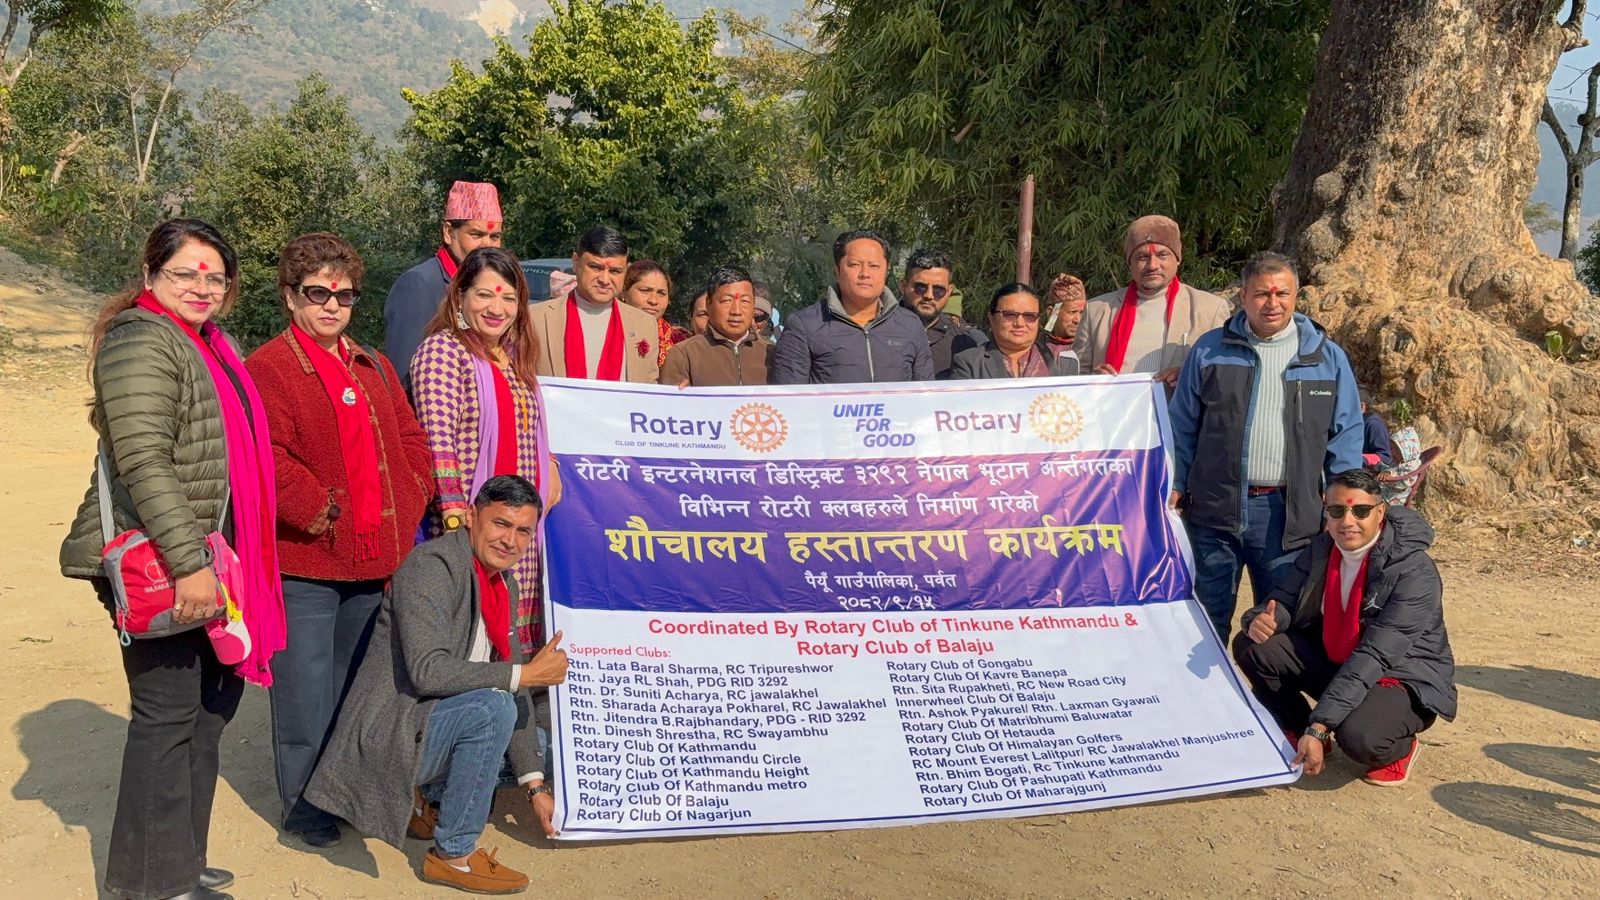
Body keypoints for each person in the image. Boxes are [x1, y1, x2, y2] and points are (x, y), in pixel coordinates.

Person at [59, 219, 286, 900]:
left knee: (212, 707)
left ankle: (173, 861)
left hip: (217, 556)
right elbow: (143, 461)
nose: (202, 286)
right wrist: (190, 564)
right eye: (186, 272)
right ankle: (153, 883)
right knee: (167, 714)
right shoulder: (139, 339)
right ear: (154, 274)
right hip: (164, 561)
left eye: (215, 276)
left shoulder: (211, 342)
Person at [244, 232, 434, 849]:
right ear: (290, 296)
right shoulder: (268, 367)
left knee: (356, 687)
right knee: (304, 692)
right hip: (307, 560)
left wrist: (410, 496)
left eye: (343, 294)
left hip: (375, 557)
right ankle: (303, 804)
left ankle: (343, 789)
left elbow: (410, 440)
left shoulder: (372, 363)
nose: (332, 305)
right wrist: (321, 509)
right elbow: (264, 454)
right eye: (317, 292)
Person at [305, 475, 569, 894]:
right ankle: (455, 856)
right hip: (389, 735)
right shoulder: (433, 566)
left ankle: (422, 801)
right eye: (501, 524)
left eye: (523, 531)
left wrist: (535, 788)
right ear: (469, 517)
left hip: (432, 728)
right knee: (493, 708)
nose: (510, 540)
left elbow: (514, 687)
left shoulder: (505, 584)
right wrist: (525, 673)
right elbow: (429, 670)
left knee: (546, 745)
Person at [1169, 251, 1365, 642]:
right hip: (1214, 513)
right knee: (1204, 626)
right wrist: (1174, 482)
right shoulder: (1210, 351)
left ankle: (1272, 705)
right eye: (1261, 294)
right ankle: (1208, 703)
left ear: (1296, 296)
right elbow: (1181, 427)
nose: (1272, 303)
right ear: (1243, 297)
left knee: (1278, 626)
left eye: (1282, 293)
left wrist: (1342, 493)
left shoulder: (1326, 358)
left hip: (1287, 517)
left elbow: (1346, 432)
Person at [1234, 469, 1455, 786]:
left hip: (1400, 675)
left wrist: (1321, 722)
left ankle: (1401, 748)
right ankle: (1299, 729)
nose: (1347, 521)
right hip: (1341, 661)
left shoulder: (1414, 571)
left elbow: (1375, 655)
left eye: (1360, 510)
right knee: (1253, 644)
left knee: (1360, 739)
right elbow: (1284, 599)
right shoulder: (1322, 547)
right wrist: (1265, 618)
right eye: (1336, 511)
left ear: (1380, 512)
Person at [410, 247, 548, 647]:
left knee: (507, 647)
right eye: (484, 294)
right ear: (461, 297)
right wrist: (457, 514)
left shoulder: (512, 358)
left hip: (514, 527)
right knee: (464, 641)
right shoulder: (444, 351)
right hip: (469, 524)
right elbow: (438, 439)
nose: (497, 308)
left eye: (508, 297)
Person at [1076, 215, 1231, 385]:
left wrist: (1189, 377)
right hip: (1115, 408)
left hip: (1179, 410)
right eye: (1142, 257)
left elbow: (1223, 375)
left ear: (1178, 259)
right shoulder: (1097, 310)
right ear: (1129, 263)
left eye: (1162, 255)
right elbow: (1074, 379)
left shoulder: (1210, 309)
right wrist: (1091, 380)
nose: (1152, 265)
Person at [770, 228, 933, 384]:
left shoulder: (911, 325)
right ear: (837, 270)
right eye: (854, 264)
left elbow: (925, 395)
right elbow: (791, 400)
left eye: (874, 266)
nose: (865, 274)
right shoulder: (804, 326)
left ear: (887, 270)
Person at [385, 181, 504, 392]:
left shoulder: (493, 285)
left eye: (494, 237)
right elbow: (402, 378)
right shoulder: (418, 284)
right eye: (476, 235)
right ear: (449, 232)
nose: (487, 245)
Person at [527, 226, 659, 382]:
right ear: (576, 262)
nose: (604, 279)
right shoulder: (535, 318)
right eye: (596, 267)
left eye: (615, 271)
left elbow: (650, 387)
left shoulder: (645, 324)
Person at [660, 264, 770, 387]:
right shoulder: (684, 355)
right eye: (727, 300)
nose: (736, 311)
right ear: (708, 304)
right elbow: (669, 404)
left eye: (745, 301)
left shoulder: (771, 353)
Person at [949, 283, 1080, 379]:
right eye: (1010, 314)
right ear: (991, 317)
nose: (1020, 323)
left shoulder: (1061, 358)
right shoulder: (969, 362)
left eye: (1030, 316)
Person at [898, 248, 983, 379]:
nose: (929, 295)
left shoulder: (965, 343)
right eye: (920, 287)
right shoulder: (876, 334)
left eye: (938, 290)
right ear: (903, 286)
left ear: (949, 291)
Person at [622, 259, 689, 368]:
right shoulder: (605, 331)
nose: (653, 300)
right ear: (624, 292)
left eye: (661, 293)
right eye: (645, 290)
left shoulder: (680, 341)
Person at [1042, 273, 1086, 369]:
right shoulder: (1036, 350)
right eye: (1072, 312)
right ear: (1052, 313)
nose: (1077, 320)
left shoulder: (1089, 349)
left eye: (1082, 313)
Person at [1360, 387, 1395, 465]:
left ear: (1362, 406)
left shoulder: (1374, 425)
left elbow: (1385, 457)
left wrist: (1359, 459)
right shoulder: (1355, 423)